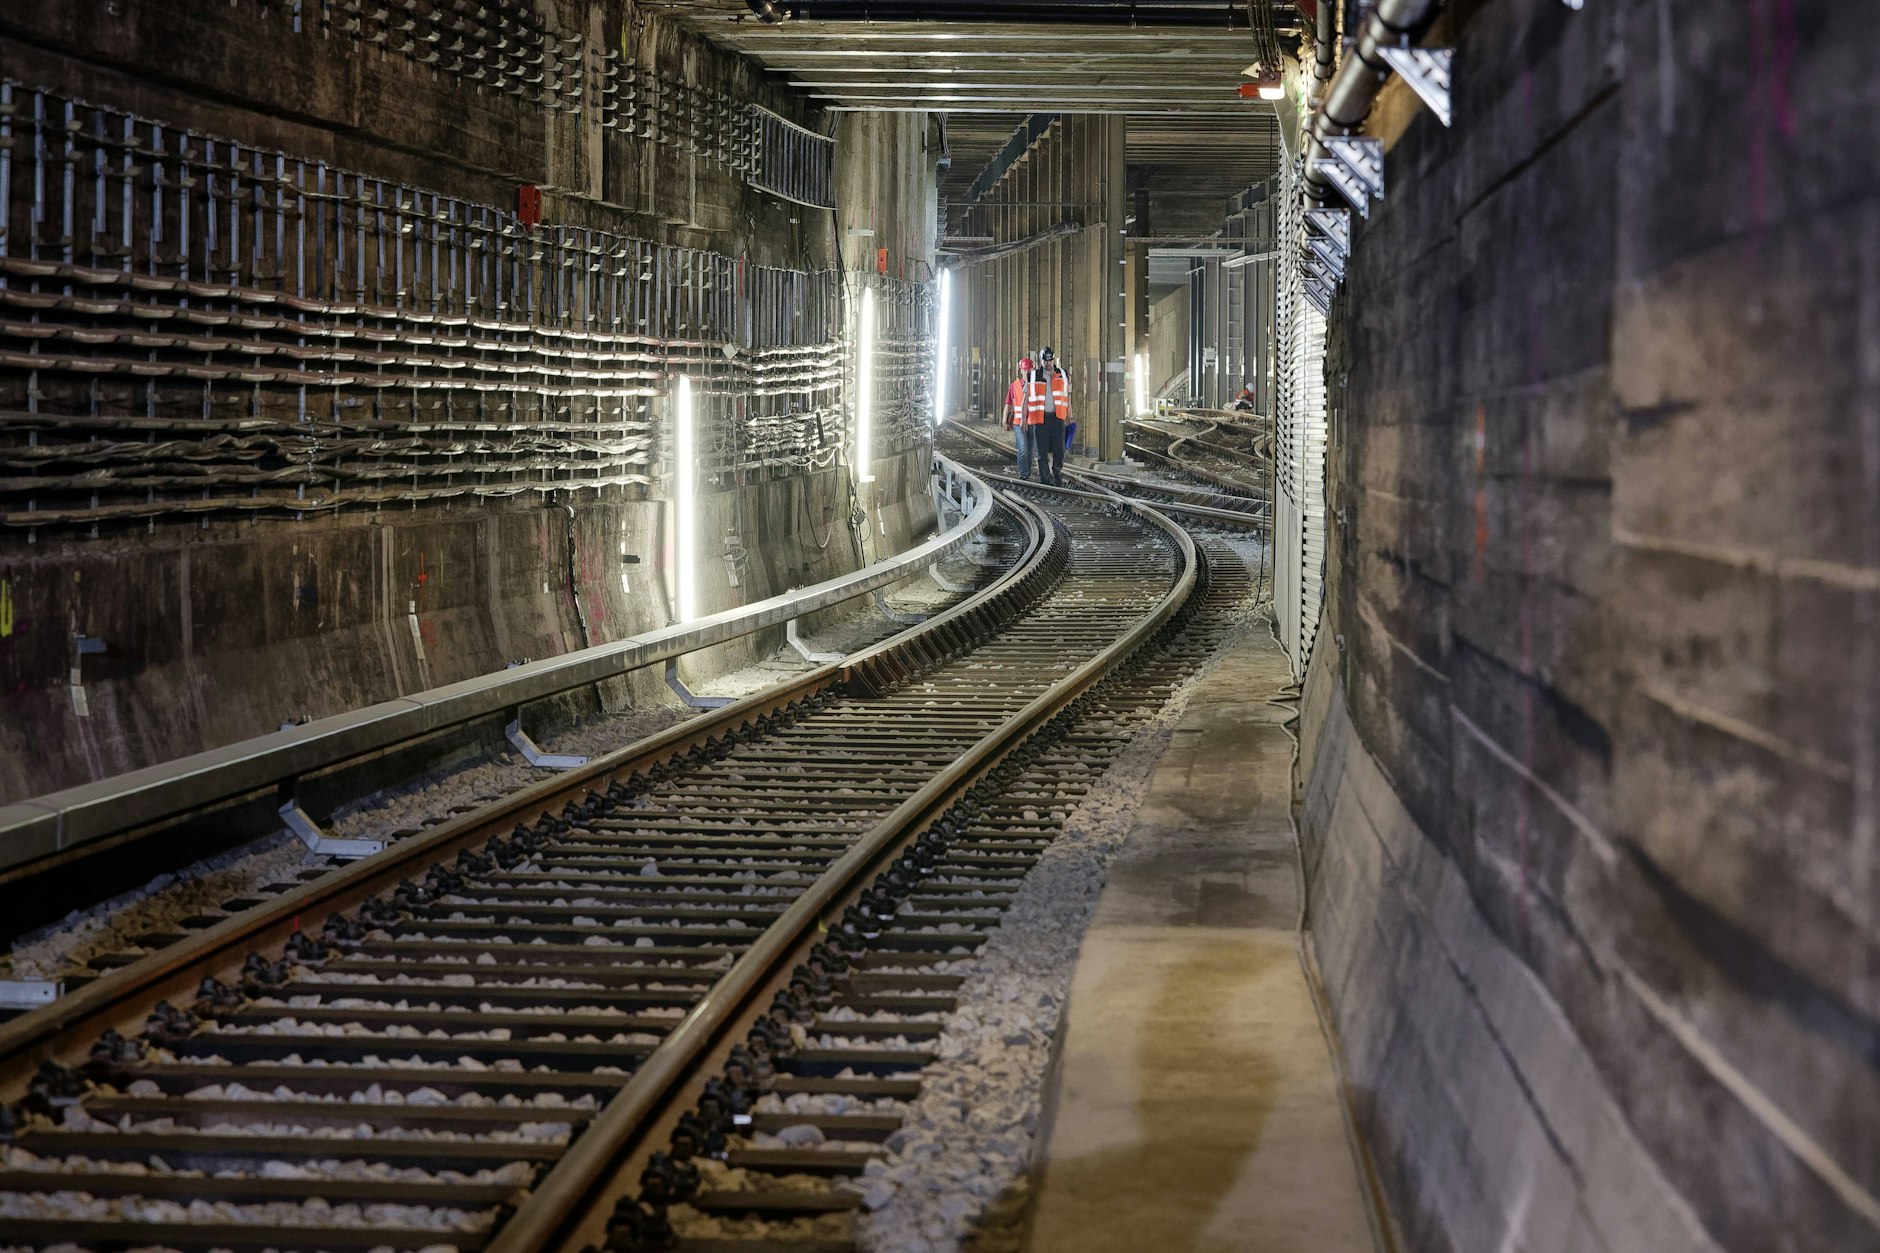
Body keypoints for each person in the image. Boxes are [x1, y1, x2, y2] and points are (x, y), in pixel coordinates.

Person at [1026, 347, 1071, 487]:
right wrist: (1024, 419)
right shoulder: (1033, 376)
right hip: (1041, 420)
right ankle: (1045, 480)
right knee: (1042, 452)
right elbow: (1026, 398)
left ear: (1054, 359)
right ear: (1041, 361)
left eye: (1050, 360)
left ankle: (1057, 475)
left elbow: (1066, 397)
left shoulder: (1063, 374)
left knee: (1059, 450)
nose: (1048, 364)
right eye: (1045, 361)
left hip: (1058, 419)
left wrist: (1070, 415)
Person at [1003, 356, 1036, 480]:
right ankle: (1023, 475)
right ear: (1021, 370)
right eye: (1024, 370)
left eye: (1028, 370)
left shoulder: (1036, 386)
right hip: (1018, 422)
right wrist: (1004, 420)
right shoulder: (1014, 386)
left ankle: (1026, 473)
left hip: (1032, 422)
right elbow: (1008, 403)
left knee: (1031, 451)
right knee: (1023, 449)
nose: (1026, 372)